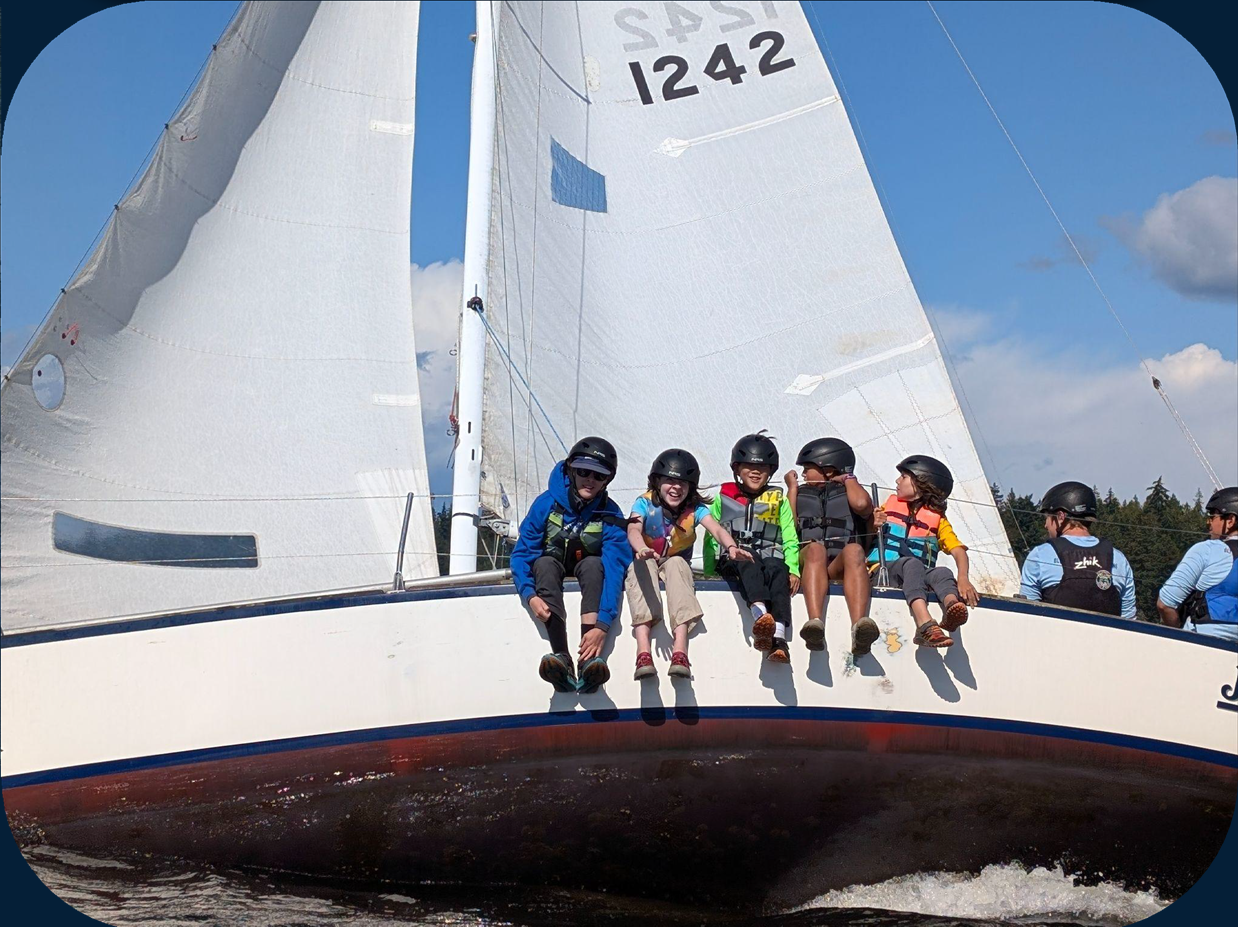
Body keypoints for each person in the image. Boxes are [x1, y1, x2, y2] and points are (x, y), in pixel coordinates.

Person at [510, 436, 633, 693]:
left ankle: (589, 662)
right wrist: (529, 595)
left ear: (607, 480)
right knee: (544, 563)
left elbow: (614, 570)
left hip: (587, 569)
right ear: (571, 471)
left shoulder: (610, 514)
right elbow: (522, 555)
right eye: (583, 471)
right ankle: (562, 658)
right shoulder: (545, 504)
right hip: (552, 565)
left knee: (593, 565)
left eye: (599, 476)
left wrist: (603, 625)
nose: (590, 479)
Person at [626, 449, 752, 680]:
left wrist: (731, 547)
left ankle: (680, 651)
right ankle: (643, 652)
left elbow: (716, 529)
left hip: (675, 564)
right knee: (639, 567)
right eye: (670, 481)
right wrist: (641, 548)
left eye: (683, 483)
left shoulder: (696, 510)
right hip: (647, 557)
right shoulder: (644, 503)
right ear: (657, 481)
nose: (676, 488)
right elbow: (634, 528)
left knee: (677, 564)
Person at [703, 433, 801, 663]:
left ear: (771, 471)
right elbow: (710, 537)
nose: (756, 472)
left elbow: (789, 536)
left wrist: (794, 569)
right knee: (747, 558)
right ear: (737, 469)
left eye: (763, 467)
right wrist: (708, 572)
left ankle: (778, 638)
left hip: (768, 558)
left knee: (778, 567)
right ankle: (759, 614)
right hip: (734, 560)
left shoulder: (779, 500)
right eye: (749, 466)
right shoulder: (723, 498)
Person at [869, 455, 978, 649]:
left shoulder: (938, 520)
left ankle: (952, 606)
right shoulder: (886, 507)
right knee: (912, 564)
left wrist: (963, 578)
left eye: (903, 477)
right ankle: (925, 624)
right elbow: (865, 531)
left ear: (921, 484)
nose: (897, 481)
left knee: (943, 572)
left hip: (915, 575)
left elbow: (958, 551)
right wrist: (872, 523)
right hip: (882, 571)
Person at [784, 437, 877, 655]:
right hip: (809, 562)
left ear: (828, 469)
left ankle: (859, 627)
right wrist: (792, 488)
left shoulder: (850, 492)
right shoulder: (800, 492)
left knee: (854, 550)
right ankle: (815, 624)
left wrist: (848, 478)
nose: (803, 474)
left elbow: (862, 505)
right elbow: (789, 524)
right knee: (816, 548)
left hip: (836, 565)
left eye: (808, 469)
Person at [1020, 481, 1135, 619]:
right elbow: (1128, 619)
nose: (1046, 525)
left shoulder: (1040, 555)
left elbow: (1027, 614)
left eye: (1048, 518)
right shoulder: (1118, 558)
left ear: (1060, 517)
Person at [1156, 486, 1238, 642]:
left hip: (1202, 642)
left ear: (1230, 521)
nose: (1209, 523)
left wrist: (1177, 634)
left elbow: (1165, 604)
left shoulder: (1207, 549)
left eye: (1213, 516)